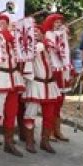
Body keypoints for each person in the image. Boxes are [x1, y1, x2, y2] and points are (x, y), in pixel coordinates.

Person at [0, 14, 25, 158]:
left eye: (5, 23)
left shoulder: (12, 37)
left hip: (14, 77)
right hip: (0, 77)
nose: (2, 26)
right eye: (0, 23)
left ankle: (9, 143)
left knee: (11, 112)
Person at [21, 25, 62, 153]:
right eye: (33, 32)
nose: (36, 33)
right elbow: (32, 51)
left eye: (38, 31)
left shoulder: (49, 45)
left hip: (50, 85)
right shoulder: (30, 47)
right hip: (35, 84)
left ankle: (45, 141)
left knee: (49, 115)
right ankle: (29, 141)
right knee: (30, 113)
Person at [42, 13, 74, 142]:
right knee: (52, 104)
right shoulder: (48, 36)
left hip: (62, 73)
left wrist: (71, 70)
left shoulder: (62, 35)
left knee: (59, 103)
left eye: (60, 22)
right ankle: (48, 131)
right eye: (56, 22)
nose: (59, 25)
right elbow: (54, 49)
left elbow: (66, 54)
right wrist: (61, 35)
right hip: (53, 73)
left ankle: (57, 130)